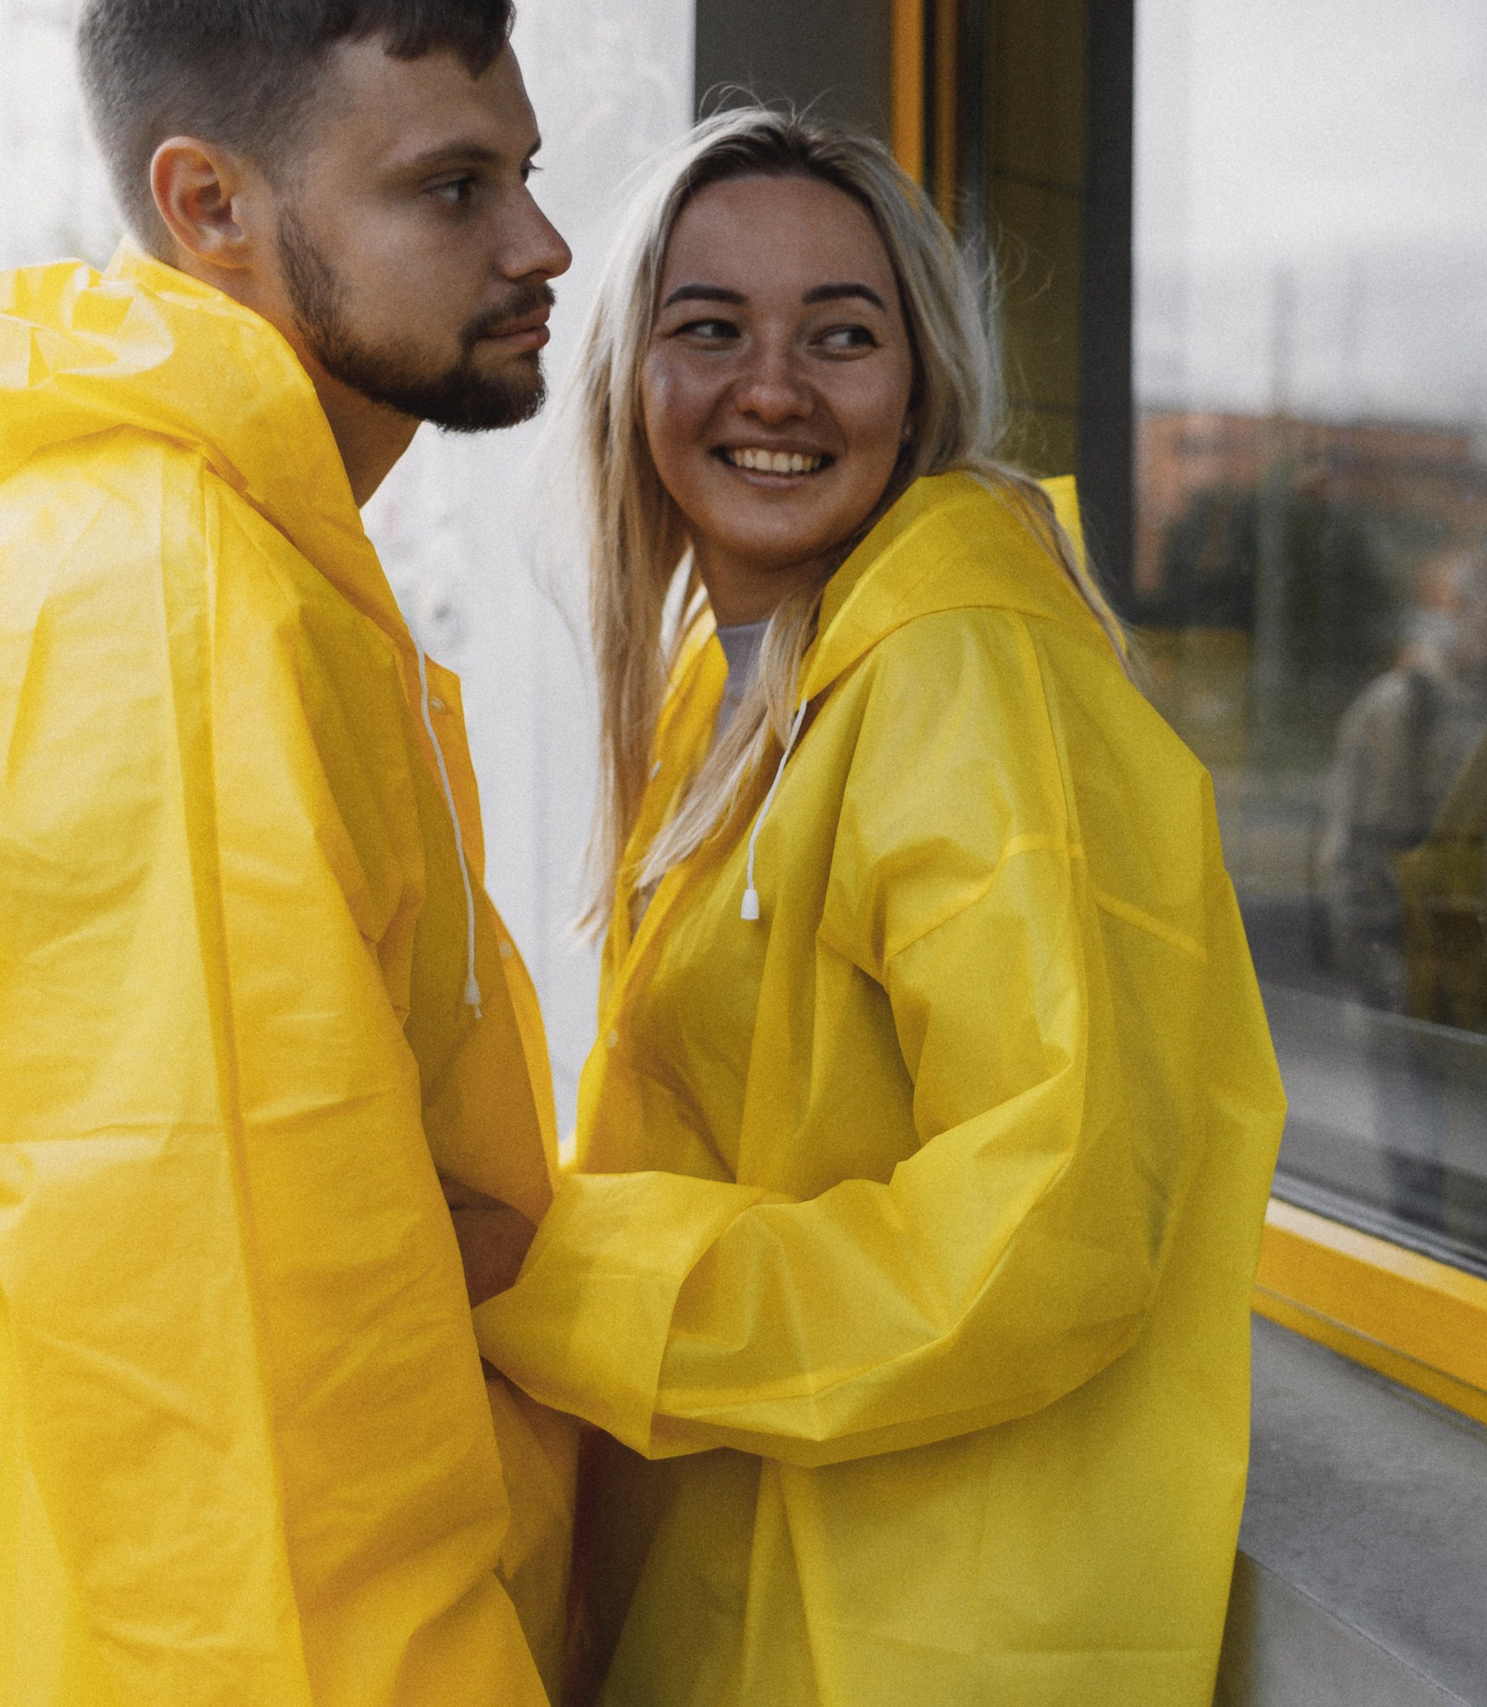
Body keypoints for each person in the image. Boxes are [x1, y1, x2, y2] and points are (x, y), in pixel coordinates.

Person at [0, 3, 577, 1701]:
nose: (542, 243)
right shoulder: (154, 618)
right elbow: (237, 1429)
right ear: (208, 204)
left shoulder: (213, 573)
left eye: (523, 173)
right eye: (453, 188)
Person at [464, 109, 1287, 1707]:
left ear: (918, 385)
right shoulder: (741, 680)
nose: (773, 388)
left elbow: (1042, 1231)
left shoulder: (961, 666)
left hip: (915, 1630)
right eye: (711, 328)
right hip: (763, 1581)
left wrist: (561, 1272)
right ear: (631, 373)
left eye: (840, 334)